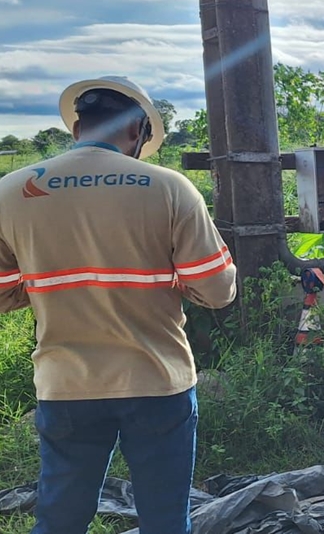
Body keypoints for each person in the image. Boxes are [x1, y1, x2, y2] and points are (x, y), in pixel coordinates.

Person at [0, 76, 237, 533]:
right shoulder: (170, 188)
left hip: (66, 382)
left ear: (76, 129)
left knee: (60, 517)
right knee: (165, 518)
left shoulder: (11, 190)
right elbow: (216, 289)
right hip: (157, 380)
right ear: (138, 132)